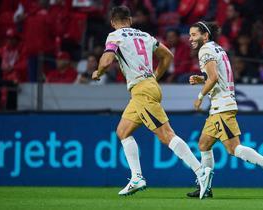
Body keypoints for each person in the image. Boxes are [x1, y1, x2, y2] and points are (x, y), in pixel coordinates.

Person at [91, 6, 212, 199]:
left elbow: (106, 61)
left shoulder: (114, 36)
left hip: (141, 90)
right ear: (130, 20)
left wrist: (98, 72)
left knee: (166, 135)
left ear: (113, 22)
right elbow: (168, 57)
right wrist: (155, 76)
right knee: (123, 131)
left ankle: (200, 172)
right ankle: (137, 177)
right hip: (147, 86)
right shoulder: (145, 36)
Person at [186, 21, 263, 198]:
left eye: (193, 35)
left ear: (205, 36)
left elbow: (214, 78)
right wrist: (202, 80)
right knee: (204, 144)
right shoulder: (218, 49)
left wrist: (199, 97)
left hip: (221, 106)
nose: (190, 38)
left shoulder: (205, 50)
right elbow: (216, 76)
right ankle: (204, 187)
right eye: (189, 35)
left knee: (233, 148)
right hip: (219, 106)